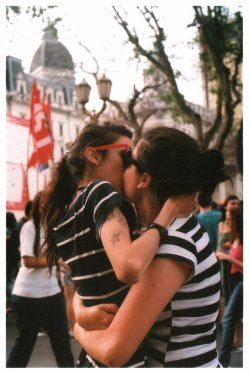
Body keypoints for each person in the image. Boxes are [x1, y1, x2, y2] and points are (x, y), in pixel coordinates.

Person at [73, 125, 229, 367]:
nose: (121, 167)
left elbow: (114, 352)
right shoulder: (162, 235)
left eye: (128, 160)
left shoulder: (173, 245)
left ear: (144, 179)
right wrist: (82, 311)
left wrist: (77, 329)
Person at [41, 122, 195, 368]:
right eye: (125, 156)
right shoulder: (99, 191)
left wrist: (80, 318)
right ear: (94, 155)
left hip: (94, 355)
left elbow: (89, 281)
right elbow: (129, 267)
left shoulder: (68, 213)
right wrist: (167, 213)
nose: (131, 166)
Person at [6, 192, 75, 368]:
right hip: (27, 297)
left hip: (52, 295)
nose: (48, 208)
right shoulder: (29, 227)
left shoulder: (54, 229)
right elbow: (27, 261)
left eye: (52, 204)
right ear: (37, 206)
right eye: (44, 204)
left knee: (63, 347)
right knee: (24, 347)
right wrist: (56, 261)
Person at [216, 210, 243, 367]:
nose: (229, 223)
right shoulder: (234, 237)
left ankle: (223, 361)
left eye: (232, 220)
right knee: (233, 317)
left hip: (241, 281)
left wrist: (229, 258)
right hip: (233, 280)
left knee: (227, 319)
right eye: (227, 220)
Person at [6, 212, 19, 314]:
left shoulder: (8, 230)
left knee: (7, 282)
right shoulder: (17, 227)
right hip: (15, 259)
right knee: (11, 281)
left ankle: (16, 301)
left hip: (9, 259)